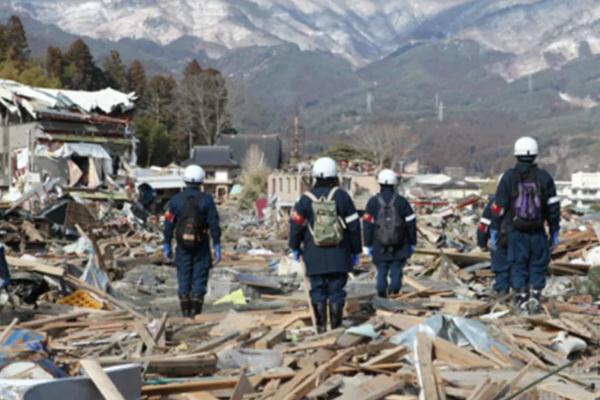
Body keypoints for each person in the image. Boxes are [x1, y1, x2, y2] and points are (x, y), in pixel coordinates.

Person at [289, 157, 362, 333]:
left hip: (314, 254)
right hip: (339, 253)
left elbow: (295, 225)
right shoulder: (342, 196)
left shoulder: (305, 199)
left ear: (314, 176)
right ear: (335, 175)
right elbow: (354, 227)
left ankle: (320, 328)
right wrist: (356, 251)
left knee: (318, 290)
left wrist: (295, 247)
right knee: (337, 291)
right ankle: (336, 328)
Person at [490, 136, 560, 313]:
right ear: (535, 154)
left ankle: (520, 298)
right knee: (538, 264)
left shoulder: (508, 177)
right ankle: (535, 296)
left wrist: (494, 229)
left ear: (516, 154)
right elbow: (553, 209)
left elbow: (498, 207)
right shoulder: (545, 178)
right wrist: (554, 231)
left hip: (516, 232)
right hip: (538, 231)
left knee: (518, 264)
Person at [163, 165, 222, 317]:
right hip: (201, 245)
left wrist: (167, 244)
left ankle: (185, 313)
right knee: (199, 277)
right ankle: (196, 314)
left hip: (182, 246)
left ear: (185, 180)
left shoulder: (175, 200)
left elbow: (168, 224)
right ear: (202, 181)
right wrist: (217, 245)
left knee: (183, 277)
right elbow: (214, 224)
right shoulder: (207, 200)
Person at [363, 169, 417, 298]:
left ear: (380, 183)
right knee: (396, 269)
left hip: (379, 244)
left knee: (381, 269)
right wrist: (412, 242)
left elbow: (367, 225)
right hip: (400, 244)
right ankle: (394, 292)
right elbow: (411, 224)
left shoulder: (372, 202)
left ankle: (381, 292)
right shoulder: (402, 201)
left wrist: (367, 244)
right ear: (394, 183)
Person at [477, 193, 509, 297]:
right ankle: (522, 297)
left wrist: (482, 242)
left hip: (501, 240)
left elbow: (484, 224)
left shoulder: (496, 201)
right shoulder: (527, 199)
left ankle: (502, 294)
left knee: (501, 269)